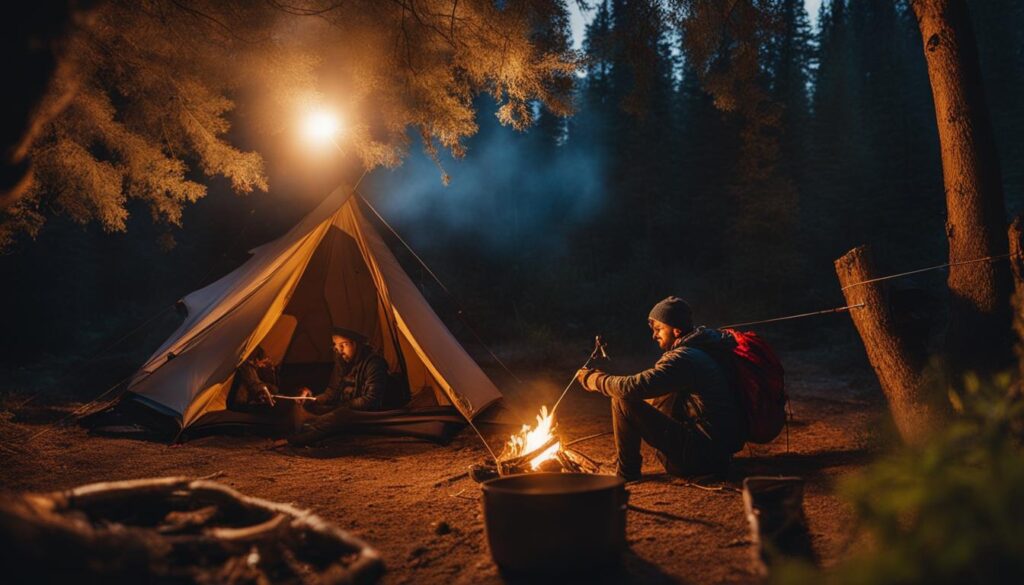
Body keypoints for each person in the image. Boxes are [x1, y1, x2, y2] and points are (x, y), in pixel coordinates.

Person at [576, 296, 744, 480]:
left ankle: (626, 474)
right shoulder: (704, 350)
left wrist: (593, 379)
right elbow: (650, 391)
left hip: (701, 458)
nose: (654, 335)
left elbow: (633, 387)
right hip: (717, 454)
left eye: (658, 329)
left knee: (621, 399)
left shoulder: (683, 359)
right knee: (646, 396)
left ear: (677, 330)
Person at [288, 328, 410, 446]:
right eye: (336, 345)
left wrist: (342, 407)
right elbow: (332, 391)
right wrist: (313, 400)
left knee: (339, 416)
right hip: (345, 407)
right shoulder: (341, 362)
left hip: (370, 413)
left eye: (343, 345)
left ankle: (304, 435)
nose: (339, 350)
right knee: (309, 408)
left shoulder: (374, 363)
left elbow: (372, 400)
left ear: (355, 344)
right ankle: (313, 424)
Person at [227, 346, 280, 412]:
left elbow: (257, 382)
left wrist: (271, 389)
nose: (263, 366)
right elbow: (254, 383)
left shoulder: (252, 369)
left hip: (242, 403)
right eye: (263, 362)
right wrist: (262, 390)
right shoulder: (246, 367)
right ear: (257, 359)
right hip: (237, 406)